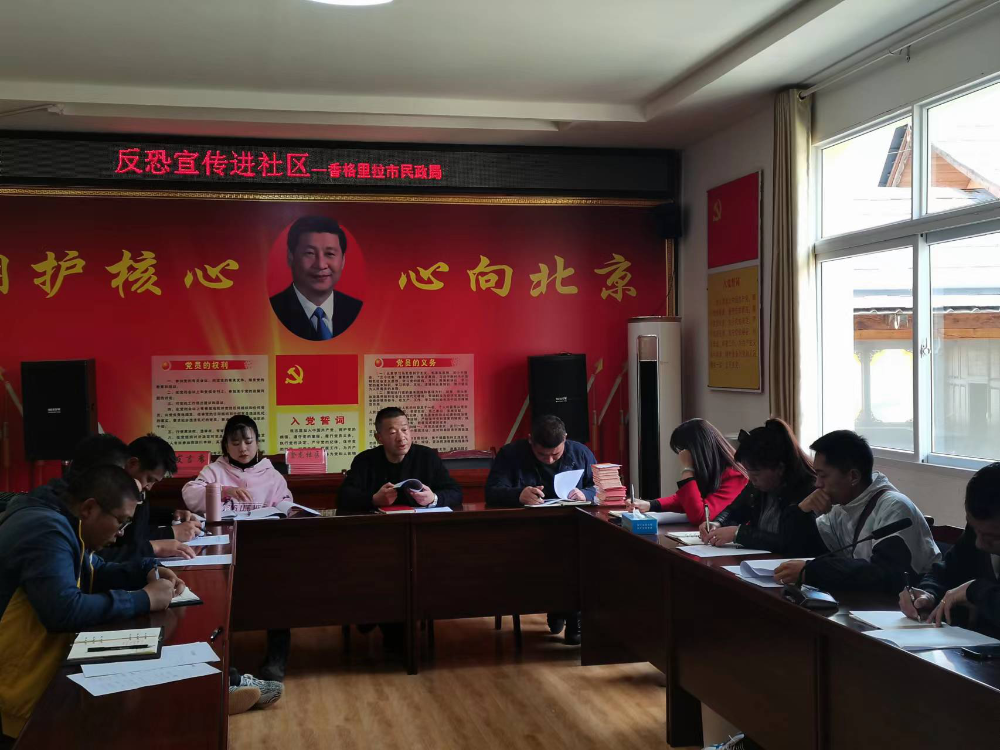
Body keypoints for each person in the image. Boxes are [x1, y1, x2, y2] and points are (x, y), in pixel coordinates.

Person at [0, 465, 185, 741]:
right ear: (89, 508)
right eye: (121, 522)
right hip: (17, 696)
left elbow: (93, 568)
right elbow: (64, 610)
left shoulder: (64, 520)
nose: (122, 533)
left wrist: (144, 569)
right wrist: (145, 599)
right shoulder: (45, 531)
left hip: (41, 679)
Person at [183, 414, 293, 682]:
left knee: (279, 586)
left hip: (262, 546)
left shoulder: (271, 473)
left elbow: (286, 502)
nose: (243, 448)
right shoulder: (214, 471)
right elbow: (190, 494)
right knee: (214, 593)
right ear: (225, 445)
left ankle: (277, 656)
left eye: (248, 441)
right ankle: (223, 657)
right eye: (235, 443)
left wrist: (283, 510)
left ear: (257, 443)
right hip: (221, 547)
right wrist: (225, 490)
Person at [774, 430, 941, 592]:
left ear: (853, 476)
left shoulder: (894, 507)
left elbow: (885, 574)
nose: (817, 484)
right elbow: (805, 551)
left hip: (910, 604)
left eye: (823, 476)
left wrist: (812, 572)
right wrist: (800, 513)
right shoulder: (840, 508)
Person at [485, 414, 596, 644]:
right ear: (530, 441)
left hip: (572, 528)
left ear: (565, 439)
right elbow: (492, 491)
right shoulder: (510, 454)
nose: (549, 460)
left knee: (581, 556)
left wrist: (586, 494)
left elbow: (600, 487)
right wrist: (518, 494)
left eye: (556, 454)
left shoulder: (581, 453)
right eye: (542, 455)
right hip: (527, 532)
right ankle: (557, 607)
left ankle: (573, 617)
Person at [900, 463, 1000, 634]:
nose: (979, 543)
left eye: (993, 537)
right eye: (975, 529)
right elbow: (945, 571)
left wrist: (975, 590)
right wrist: (928, 594)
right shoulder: (977, 532)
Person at [701, 419, 818, 555]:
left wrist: (739, 533)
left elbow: (792, 542)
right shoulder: (758, 486)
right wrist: (718, 523)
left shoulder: (809, 490)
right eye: (748, 471)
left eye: (756, 473)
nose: (751, 479)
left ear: (780, 468)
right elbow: (734, 510)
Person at [98, 433, 201, 563]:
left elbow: (139, 523)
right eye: (149, 479)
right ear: (132, 463)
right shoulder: (106, 493)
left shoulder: (134, 488)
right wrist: (169, 535)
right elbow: (131, 539)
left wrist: (171, 515)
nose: (149, 487)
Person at [338, 407, 462, 513]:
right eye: (392, 432)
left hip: (420, 525)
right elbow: (343, 497)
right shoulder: (364, 460)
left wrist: (433, 498)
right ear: (379, 437)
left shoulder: (427, 457)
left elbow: (455, 492)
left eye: (404, 430)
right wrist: (373, 499)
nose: (401, 438)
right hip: (378, 527)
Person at [630, 418, 748, 524]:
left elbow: (701, 516)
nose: (681, 456)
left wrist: (687, 469)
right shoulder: (713, 470)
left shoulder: (736, 475)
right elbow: (687, 500)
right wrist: (651, 505)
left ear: (696, 451)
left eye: (683, 451)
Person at [269, 215, 363, 341]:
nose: (320, 265)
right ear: (290, 257)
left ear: (343, 260)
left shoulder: (356, 310)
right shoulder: (270, 312)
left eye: (330, 253)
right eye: (310, 253)